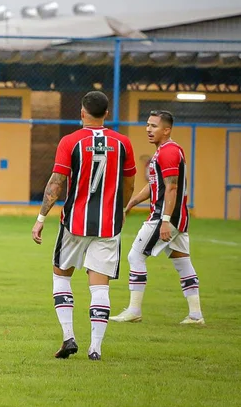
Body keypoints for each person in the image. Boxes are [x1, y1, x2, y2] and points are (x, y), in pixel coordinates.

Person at [32, 91, 136, 361]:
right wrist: (121, 209)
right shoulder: (123, 143)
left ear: (82, 112)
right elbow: (129, 182)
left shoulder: (71, 141)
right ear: (107, 114)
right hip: (108, 225)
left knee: (61, 275)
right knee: (99, 286)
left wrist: (41, 217)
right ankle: (95, 348)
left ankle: (68, 336)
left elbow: (56, 182)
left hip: (74, 223)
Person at [112, 110, 204, 325]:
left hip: (164, 218)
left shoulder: (168, 152)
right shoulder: (164, 151)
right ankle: (196, 315)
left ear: (167, 129)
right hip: (177, 218)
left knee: (135, 257)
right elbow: (156, 185)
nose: (148, 129)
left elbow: (171, 188)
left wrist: (164, 220)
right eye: (147, 125)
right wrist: (132, 203)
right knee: (183, 262)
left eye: (154, 126)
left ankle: (134, 310)